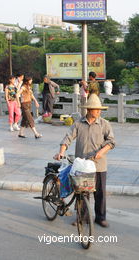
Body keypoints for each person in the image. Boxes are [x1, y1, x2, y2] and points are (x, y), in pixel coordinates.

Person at [54, 94, 115, 228]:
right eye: (95, 109)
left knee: (100, 193)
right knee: (81, 193)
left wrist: (101, 152)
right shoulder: (78, 124)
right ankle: (82, 217)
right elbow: (67, 138)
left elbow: (111, 142)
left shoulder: (104, 124)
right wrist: (61, 152)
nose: (98, 111)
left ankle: (100, 217)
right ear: (88, 110)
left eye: (99, 109)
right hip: (82, 165)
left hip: (99, 165)